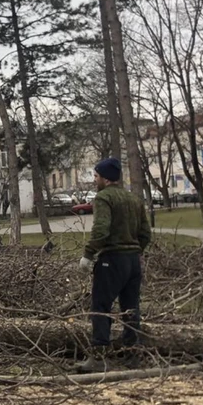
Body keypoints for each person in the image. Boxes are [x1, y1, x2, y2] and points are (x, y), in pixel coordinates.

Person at [77, 158, 152, 372]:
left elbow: (101, 229)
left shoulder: (103, 198)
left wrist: (89, 254)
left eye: (96, 176)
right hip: (133, 261)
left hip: (112, 259)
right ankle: (131, 354)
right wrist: (136, 250)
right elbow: (146, 233)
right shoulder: (133, 199)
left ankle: (99, 357)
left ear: (105, 178)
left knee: (101, 307)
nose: (95, 180)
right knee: (131, 308)